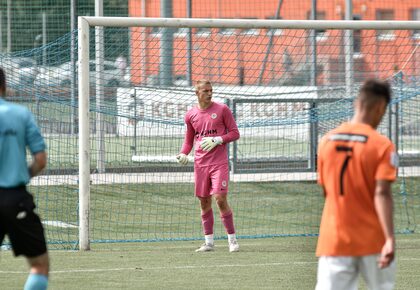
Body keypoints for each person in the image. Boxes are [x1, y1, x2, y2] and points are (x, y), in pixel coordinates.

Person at [316, 79, 397, 290]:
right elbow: (382, 193)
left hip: (335, 239)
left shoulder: (326, 141)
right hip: (372, 239)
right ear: (380, 107)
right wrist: (389, 238)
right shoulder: (383, 145)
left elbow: (327, 191)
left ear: (356, 103)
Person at [176, 79, 240, 252]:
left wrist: (218, 139)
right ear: (197, 93)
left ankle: (232, 240)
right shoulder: (190, 115)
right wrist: (183, 153)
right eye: (205, 91)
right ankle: (209, 243)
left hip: (219, 163)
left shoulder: (222, 110)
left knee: (219, 198)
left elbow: (235, 133)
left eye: (211, 90)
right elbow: (189, 141)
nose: (210, 93)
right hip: (200, 164)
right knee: (204, 202)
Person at [0, 67, 49, 290]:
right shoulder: (20, 114)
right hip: (15, 198)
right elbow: (40, 160)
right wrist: (21, 174)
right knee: (39, 265)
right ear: (5, 87)